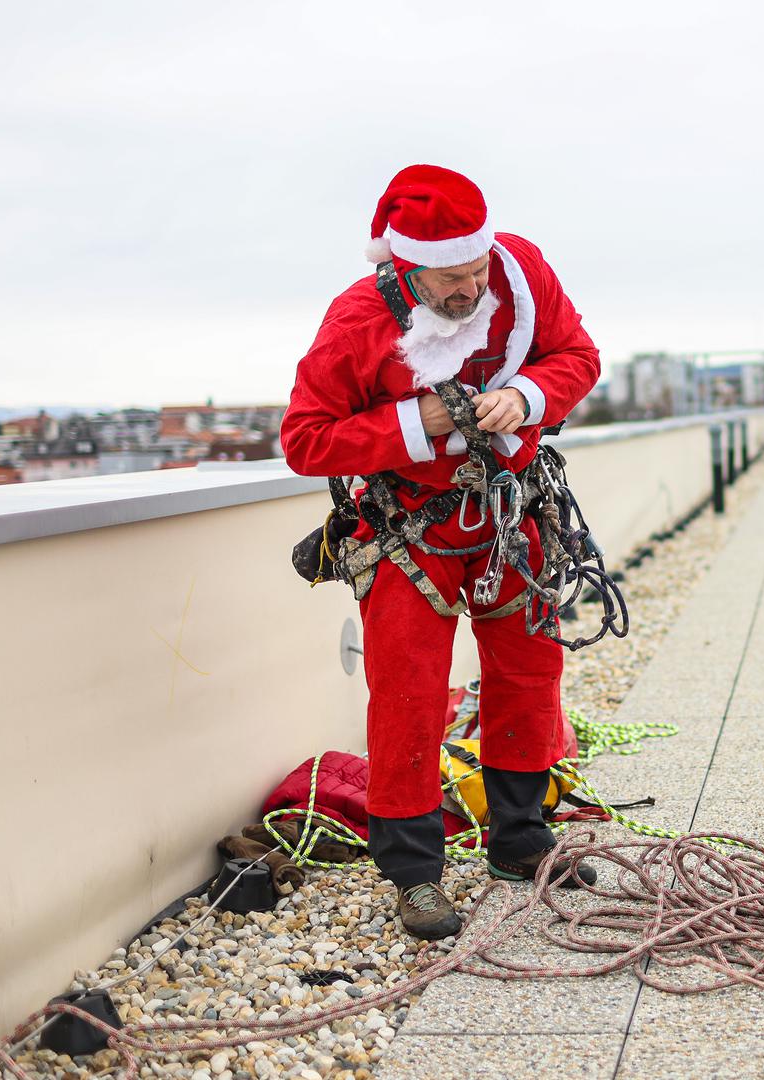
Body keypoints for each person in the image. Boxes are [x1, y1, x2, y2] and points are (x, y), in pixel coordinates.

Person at [281, 165, 601, 939]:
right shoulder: (357, 321)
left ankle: (521, 839)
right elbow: (305, 439)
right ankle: (415, 873)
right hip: (408, 532)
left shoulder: (518, 275)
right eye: (451, 279)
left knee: (529, 674)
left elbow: (576, 357)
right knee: (407, 697)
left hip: (510, 516)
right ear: (403, 267)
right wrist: (418, 422)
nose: (470, 290)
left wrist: (526, 397)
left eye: (477, 270)